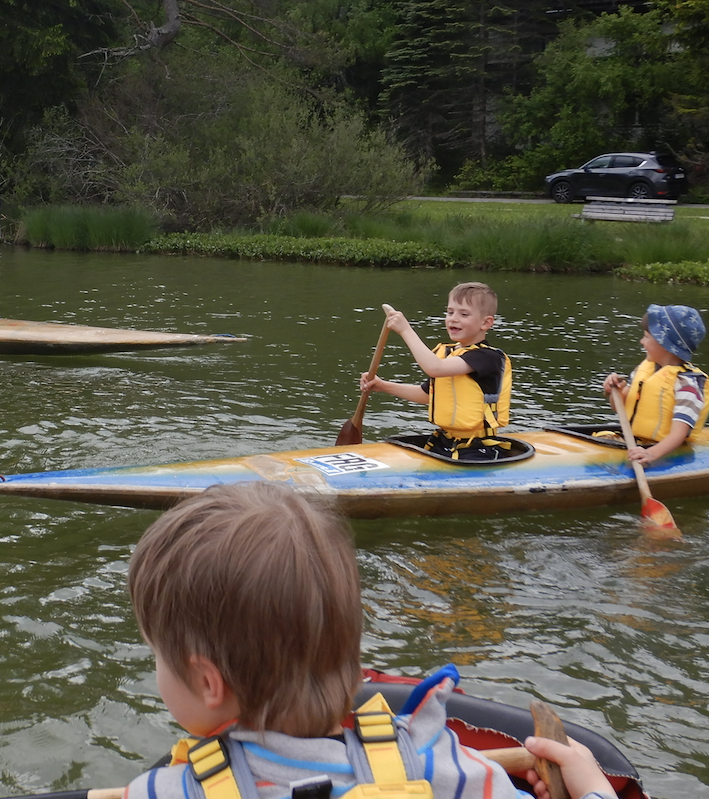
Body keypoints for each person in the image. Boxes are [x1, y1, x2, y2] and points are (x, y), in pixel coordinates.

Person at [122, 481, 618, 799]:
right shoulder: (433, 758)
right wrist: (595, 791)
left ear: (209, 682)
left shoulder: (168, 790)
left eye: (158, 655)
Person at [360, 282, 512, 461]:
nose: (453, 318)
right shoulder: (451, 354)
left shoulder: (487, 357)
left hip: (478, 448)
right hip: (444, 441)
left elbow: (434, 368)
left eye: (464, 314)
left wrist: (405, 330)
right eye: (450, 312)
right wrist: (383, 386)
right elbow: (427, 395)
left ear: (486, 323)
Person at [602, 303, 709, 465]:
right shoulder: (647, 368)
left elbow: (679, 433)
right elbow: (619, 408)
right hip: (633, 441)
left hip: (660, 450)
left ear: (665, 344)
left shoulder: (687, 384)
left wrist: (651, 454)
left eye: (646, 337)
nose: (641, 341)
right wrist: (615, 392)